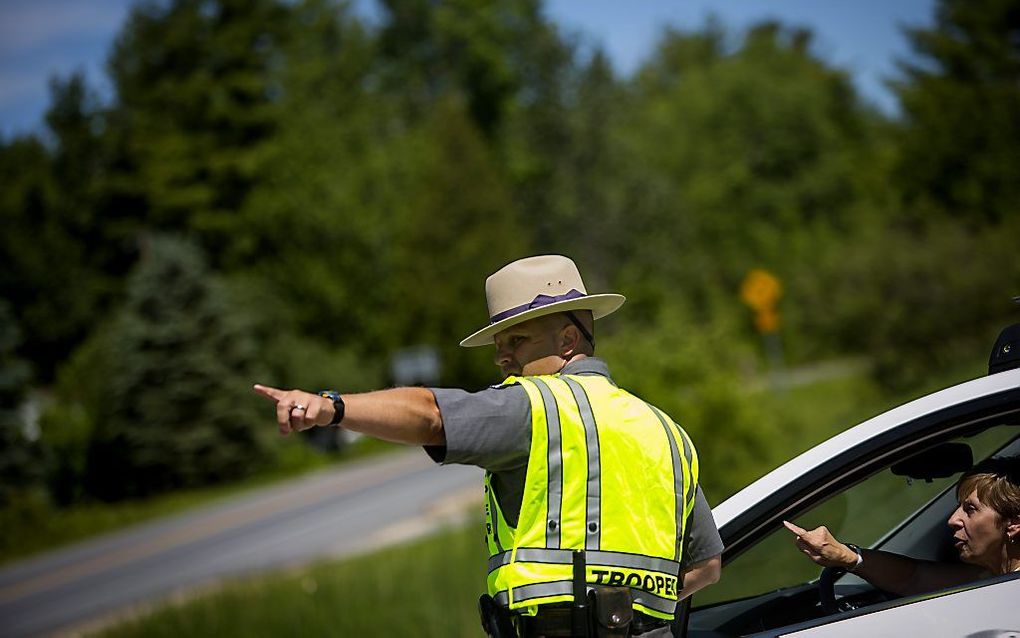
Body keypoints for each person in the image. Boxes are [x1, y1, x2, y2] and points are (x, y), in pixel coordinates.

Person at [254, 254, 723, 637]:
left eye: (516, 340)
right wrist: (629, 614)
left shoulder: (533, 406)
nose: (502, 356)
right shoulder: (667, 431)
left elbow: (431, 415)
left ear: (567, 339)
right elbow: (706, 566)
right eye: (499, 343)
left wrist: (332, 408)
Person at [783, 456, 1020, 596]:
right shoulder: (993, 578)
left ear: (1014, 524)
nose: (952, 519)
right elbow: (913, 577)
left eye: (970, 509)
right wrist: (845, 556)